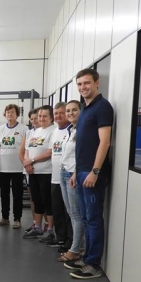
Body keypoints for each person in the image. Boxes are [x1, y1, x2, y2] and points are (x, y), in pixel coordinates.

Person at [66, 68, 114, 279]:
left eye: (87, 83)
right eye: (79, 84)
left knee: (93, 219)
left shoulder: (103, 107)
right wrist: (77, 172)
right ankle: (86, 258)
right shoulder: (85, 108)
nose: (83, 87)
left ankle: (93, 265)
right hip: (82, 172)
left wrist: (95, 171)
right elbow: (82, 146)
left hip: (93, 174)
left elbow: (105, 142)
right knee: (86, 218)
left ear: (96, 83)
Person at [22, 105, 56, 239]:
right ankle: (37, 227)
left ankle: (50, 229)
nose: (41, 118)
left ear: (51, 118)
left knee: (47, 201)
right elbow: (27, 150)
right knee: (37, 200)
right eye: (40, 116)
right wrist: (27, 163)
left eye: (45, 116)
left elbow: (49, 152)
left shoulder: (53, 131)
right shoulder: (36, 131)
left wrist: (31, 160)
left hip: (46, 172)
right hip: (33, 173)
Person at [0, 104, 27, 229]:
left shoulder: (24, 129)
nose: (10, 114)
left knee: (17, 194)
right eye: (8, 112)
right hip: (3, 168)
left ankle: (17, 218)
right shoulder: (0, 129)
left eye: (12, 112)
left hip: (18, 168)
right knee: (4, 194)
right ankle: (5, 218)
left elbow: (27, 148)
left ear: (17, 114)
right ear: (5, 114)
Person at [57, 100, 84, 263]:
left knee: (76, 214)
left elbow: (84, 154)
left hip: (72, 174)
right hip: (63, 171)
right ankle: (78, 245)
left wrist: (76, 172)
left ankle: (75, 250)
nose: (70, 113)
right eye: (68, 111)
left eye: (74, 110)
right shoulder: (70, 130)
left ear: (81, 111)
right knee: (70, 212)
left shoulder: (83, 130)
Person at [46, 102, 73, 248]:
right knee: (57, 210)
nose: (58, 116)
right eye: (56, 113)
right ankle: (60, 237)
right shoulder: (55, 132)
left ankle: (70, 240)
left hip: (68, 177)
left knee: (69, 211)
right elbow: (52, 151)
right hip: (55, 177)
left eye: (61, 113)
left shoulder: (72, 130)